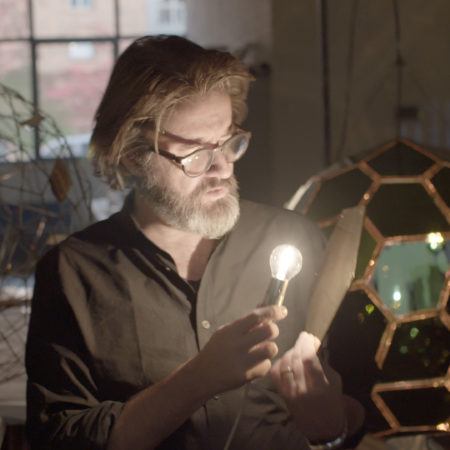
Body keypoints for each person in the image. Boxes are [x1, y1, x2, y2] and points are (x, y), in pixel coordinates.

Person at [26, 35, 364, 450]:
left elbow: (361, 404)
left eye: (229, 142)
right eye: (195, 154)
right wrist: (198, 379)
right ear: (132, 155)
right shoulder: (73, 273)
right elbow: (59, 438)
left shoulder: (297, 241)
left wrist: (331, 428)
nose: (222, 168)